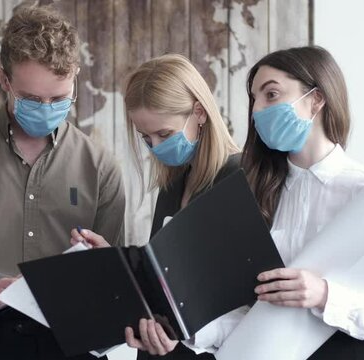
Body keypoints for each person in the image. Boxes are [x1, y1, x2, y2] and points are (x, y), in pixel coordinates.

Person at [135, 46, 364, 359]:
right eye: (254, 99)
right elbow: (249, 316)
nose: (258, 109)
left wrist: (324, 296)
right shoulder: (254, 194)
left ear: (316, 99)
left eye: (271, 94)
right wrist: (181, 332)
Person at [0, 5, 125, 360]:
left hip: (76, 348)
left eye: (58, 99)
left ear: (74, 76)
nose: (45, 108)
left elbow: (115, 289)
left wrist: (106, 264)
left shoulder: (101, 166)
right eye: (31, 99)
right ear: (4, 80)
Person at [69, 54, 241, 360]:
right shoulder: (172, 184)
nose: (156, 146)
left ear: (199, 113)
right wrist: (115, 262)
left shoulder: (238, 179)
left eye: (164, 134)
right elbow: (163, 279)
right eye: (145, 137)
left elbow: (243, 300)